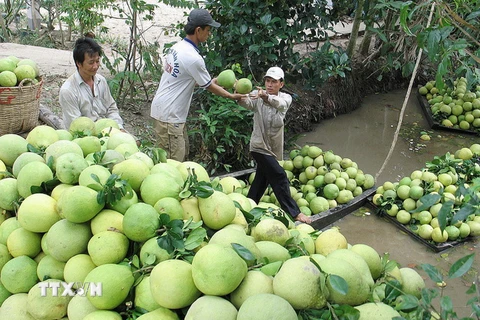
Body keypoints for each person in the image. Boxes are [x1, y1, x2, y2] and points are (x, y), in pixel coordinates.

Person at [150, 8, 244, 161]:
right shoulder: (193, 57)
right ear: (198, 30)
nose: (209, 33)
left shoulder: (177, 47)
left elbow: (182, 80)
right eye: (208, 30)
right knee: (172, 163)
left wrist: (209, 82)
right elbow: (208, 86)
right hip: (169, 115)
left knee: (181, 155)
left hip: (166, 111)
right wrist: (231, 96)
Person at [238, 67, 312, 224]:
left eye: (274, 81)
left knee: (262, 178)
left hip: (273, 148)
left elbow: (280, 104)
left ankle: (248, 206)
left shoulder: (285, 98)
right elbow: (245, 101)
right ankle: (295, 213)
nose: (269, 84)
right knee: (279, 175)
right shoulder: (257, 97)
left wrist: (265, 97)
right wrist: (236, 91)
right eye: (267, 81)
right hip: (258, 145)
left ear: (281, 84)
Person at [59, 37, 126, 131]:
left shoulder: (101, 81)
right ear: (79, 63)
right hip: (84, 137)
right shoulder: (68, 90)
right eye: (91, 62)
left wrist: (119, 127)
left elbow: (111, 108)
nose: (95, 66)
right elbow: (77, 126)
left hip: (108, 131)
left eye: (97, 61)